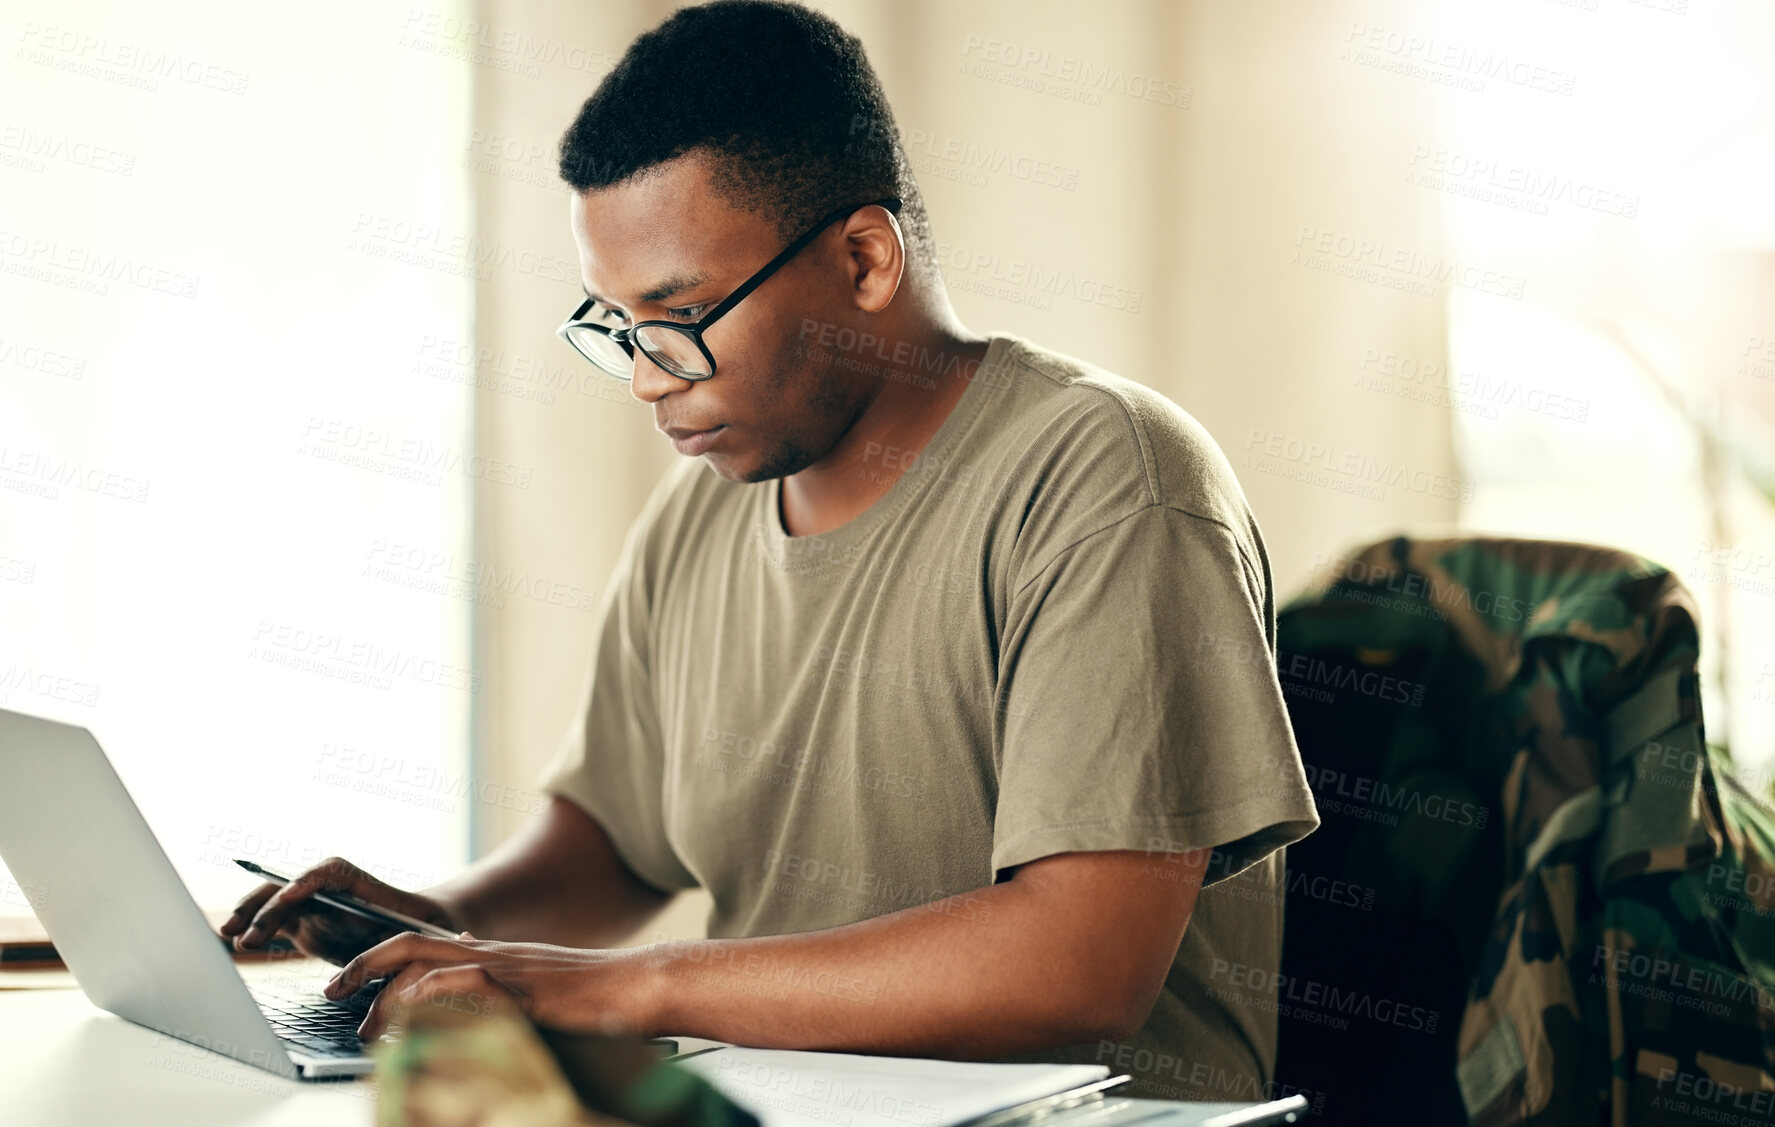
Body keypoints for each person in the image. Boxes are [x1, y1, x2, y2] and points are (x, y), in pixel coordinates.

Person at [224, 0, 1319, 1101]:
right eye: (617, 324)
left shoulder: (1106, 479)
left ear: (862, 259)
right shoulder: (701, 508)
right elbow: (609, 841)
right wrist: (444, 925)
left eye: (681, 313)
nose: (651, 375)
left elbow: (1077, 964)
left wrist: (623, 986)